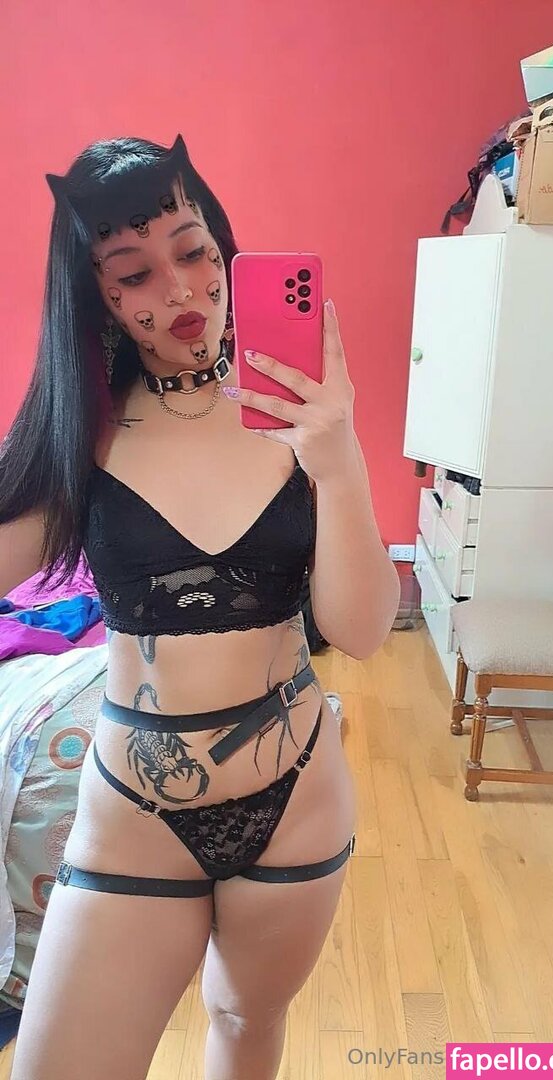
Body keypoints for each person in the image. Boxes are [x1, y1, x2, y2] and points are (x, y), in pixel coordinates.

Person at [1, 133, 400, 1080]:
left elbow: (362, 630)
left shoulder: (298, 416)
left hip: (296, 794)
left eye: (193, 250)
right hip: (133, 814)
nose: (179, 289)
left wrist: (339, 458)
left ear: (225, 250)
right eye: (134, 273)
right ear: (97, 296)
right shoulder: (82, 436)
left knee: (245, 1023)